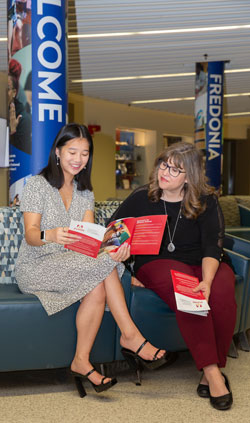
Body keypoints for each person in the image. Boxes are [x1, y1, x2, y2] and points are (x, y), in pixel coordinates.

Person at [15, 123, 170, 397]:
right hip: (36, 266)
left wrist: (115, 249)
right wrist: (49, 234)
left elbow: (91, 240)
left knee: (100, 277)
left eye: (84, 154)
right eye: (72, 151)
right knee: (105, 267)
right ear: (58, 152)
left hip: (74, 264)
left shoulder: (86, 193)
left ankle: (81, 361)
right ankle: (131, 336)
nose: (78, 159)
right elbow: (30, 236)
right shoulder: (37, 185)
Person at [109, 141, 236, 411]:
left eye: (174, 170)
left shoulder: (206, 200)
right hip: (158, 263)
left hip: (204, 263)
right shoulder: (141, 197)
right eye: (163, 165)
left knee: (223, 294)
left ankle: (210, 368)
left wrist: (208, 281)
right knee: (188, 292)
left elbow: (213, 245)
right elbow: (112, 232)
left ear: (189, 176)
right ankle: (213, 373)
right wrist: (124, 256)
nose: (164, 172)